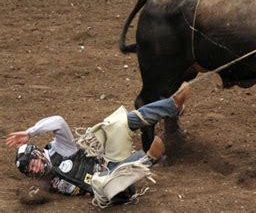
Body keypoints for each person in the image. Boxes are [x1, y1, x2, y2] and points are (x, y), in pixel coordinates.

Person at [6, 83, 191, 206]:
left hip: (107, 159)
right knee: (106, 181)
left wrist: (30, 132)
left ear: (37, 153)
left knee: (117, 123)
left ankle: (171, 106)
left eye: (32, 162)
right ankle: (149, 158)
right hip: (111, 189)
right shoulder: (44, 184)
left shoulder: (58, 149)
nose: (35, 168)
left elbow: (58, 121)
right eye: (30, 170)